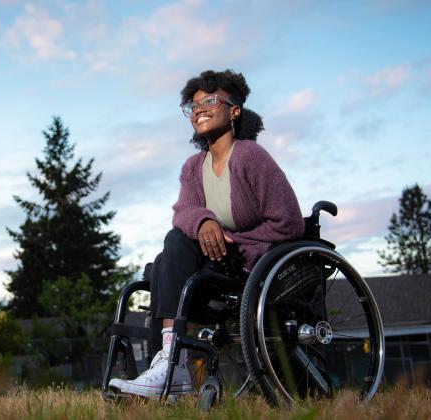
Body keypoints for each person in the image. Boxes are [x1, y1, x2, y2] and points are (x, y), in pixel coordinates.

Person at [109, 69, 304, 398]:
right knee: (164, 260)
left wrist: (232, 240)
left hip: (252, 263)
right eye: (193, 105)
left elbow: (289, 222)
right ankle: (170, 367)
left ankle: (172, 367)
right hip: (215, 265)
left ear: (234, 110)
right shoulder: (192, 168)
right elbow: (182, 213)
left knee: (170, 254)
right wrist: (204, 223)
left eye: (210, 101)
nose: (198, 109)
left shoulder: (250, 157)